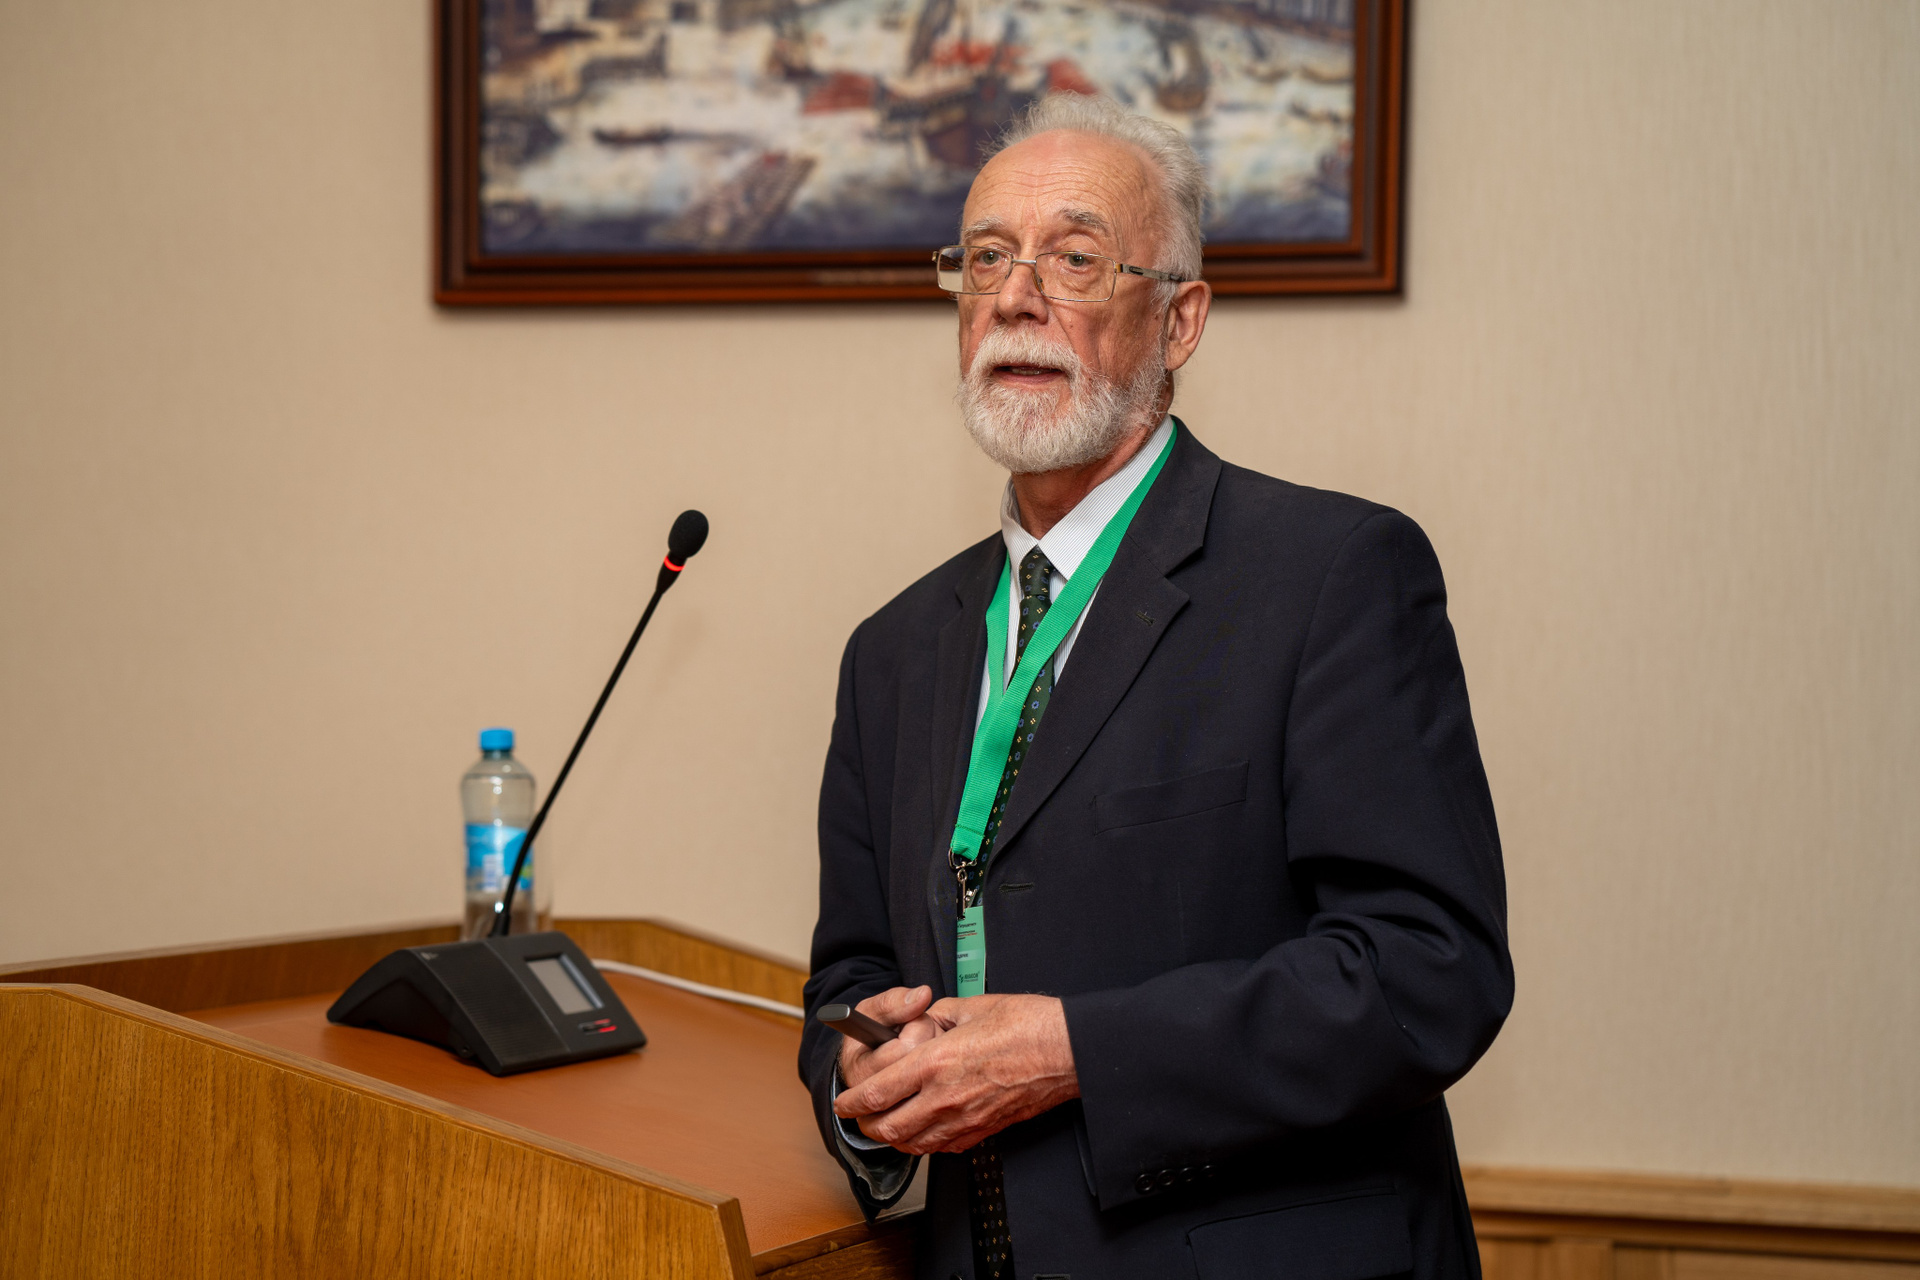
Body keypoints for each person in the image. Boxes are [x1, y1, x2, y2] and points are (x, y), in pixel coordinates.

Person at [800, 93, 1512, 1280]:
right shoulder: (894, 648)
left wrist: (1073, 1048)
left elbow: (1428, 969)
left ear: (1180, 319)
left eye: (1075, 258)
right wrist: (865, 1077)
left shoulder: (1333, 574)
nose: (1016, 295)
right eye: (987, 258)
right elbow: (852, 972)